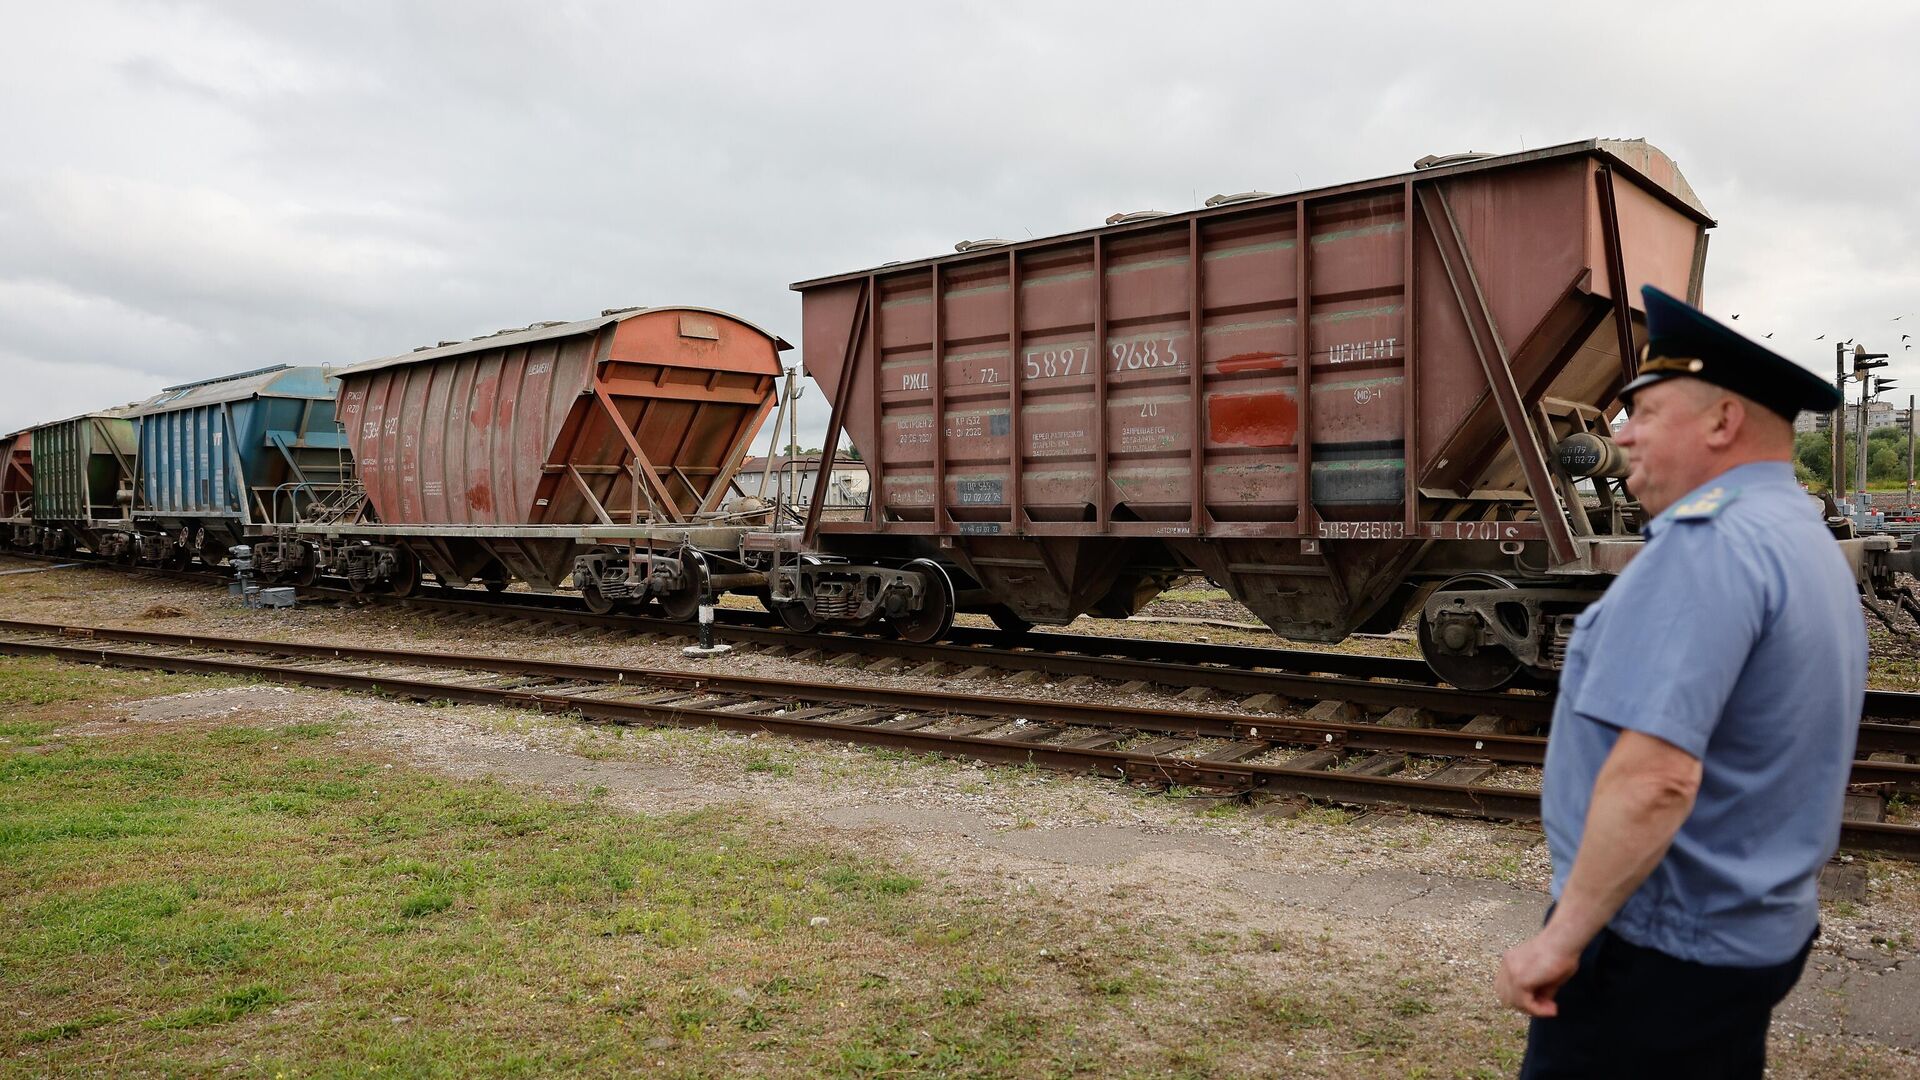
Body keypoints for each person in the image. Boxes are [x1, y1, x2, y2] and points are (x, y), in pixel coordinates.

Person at [1494, 285, 1866, 1077]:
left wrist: (1561, 941)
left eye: (1646, 413)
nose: (1622, 438)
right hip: (1752, 928)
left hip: (1657, 944)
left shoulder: (1707, 547)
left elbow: (1657, 778)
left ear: (1722, 422)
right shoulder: (1798, 535)